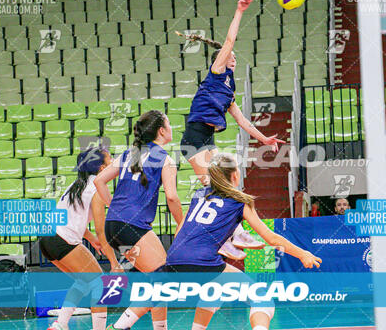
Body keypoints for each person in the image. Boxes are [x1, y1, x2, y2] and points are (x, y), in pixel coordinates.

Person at [107, 153, 321, 330]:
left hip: (175, 256)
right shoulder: (240, 201)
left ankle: (119, 326)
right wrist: (302, 253)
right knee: (261, 297)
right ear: (235, 175)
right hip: (202, 262)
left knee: (166, 289)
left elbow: (184, 228)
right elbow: (271, 237)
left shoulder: (199, 195)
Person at [176, 0, 285, 260]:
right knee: (210, 184)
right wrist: (238, 11)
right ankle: (225, 237)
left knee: (227, 184)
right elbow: (229, 42)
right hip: (194, 138)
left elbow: (243, 122)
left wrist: (265, 140)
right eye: (230, 57)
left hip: (208, 140)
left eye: (235, 58)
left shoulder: (229, 89)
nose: (233, 58)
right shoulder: (215, 72)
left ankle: (233, 233)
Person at [94, 110, 183, 330]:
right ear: (161, 131)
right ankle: (120, 326)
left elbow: (99, 181)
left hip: (113, 225)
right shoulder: (165, 159)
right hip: (132, 226)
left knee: (157, 281)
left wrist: (113, 205)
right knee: (163, 281)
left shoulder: (128, 154)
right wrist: (181, 224)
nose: (172, 127)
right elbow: (171, 197)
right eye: (169, 124)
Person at [39, 148, 122, 330]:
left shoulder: (76, 185)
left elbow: (75, 220)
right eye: (110, 160)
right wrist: (114, 263)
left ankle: (60, 324)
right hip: (63, 241)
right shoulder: (97, 188)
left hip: (46, 240)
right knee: (99, 285)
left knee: (83, 282)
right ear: (102, 168)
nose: (114, 162)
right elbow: (101, 231)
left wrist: (91, 240)